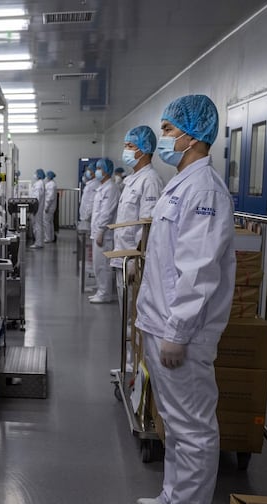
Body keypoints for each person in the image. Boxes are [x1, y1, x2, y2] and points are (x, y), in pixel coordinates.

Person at [134, 94, 235, 504]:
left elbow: (198, 270)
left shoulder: (204, 190)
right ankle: (173, 497)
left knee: (192, 425)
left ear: (194, 136)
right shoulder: (182, 184)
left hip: (183, 333)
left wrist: (176, 331)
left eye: (171, 130)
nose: (166, 139)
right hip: (162, 324)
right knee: (174, 421)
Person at [111, 125, 164, 371]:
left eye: (130, 146)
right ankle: (129, 361)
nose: (126, 151)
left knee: (135, 316)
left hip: (133, 262)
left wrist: (134, 261)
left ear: (144, 150)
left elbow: (147, 226)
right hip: (123, 259)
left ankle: (135, 367)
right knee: (126, 316)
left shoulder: (151, 181)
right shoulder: (133, 179)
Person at [89, 158, 120, 303]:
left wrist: (101, 230)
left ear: (106, 170)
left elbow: (107, 212)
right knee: (97, 264)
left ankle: (104, 294)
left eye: (99, 168)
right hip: (98, 231)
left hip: (105, 234)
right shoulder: (103, 187)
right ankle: (100, 289)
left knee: (103, 265)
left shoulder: (111, 188)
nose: (97, 171)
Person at [29, 168, 46, 249]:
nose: (34, 175)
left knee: (37, 225)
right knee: (38, 224)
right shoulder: (40, 183)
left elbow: (36, 198)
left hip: (37, 207)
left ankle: (38, 243)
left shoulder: (39, 184)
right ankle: (39, 242)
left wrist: (33, 207)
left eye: (35, 173)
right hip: (38, 207)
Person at [43, 170, 58, 243]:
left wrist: (46, 207)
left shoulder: (51, 185)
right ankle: (51, 237)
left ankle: (48, 238)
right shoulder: (51, 184)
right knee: (50, 222)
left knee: (46, 223)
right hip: (51, 207)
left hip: (49, 207)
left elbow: (50, 197)